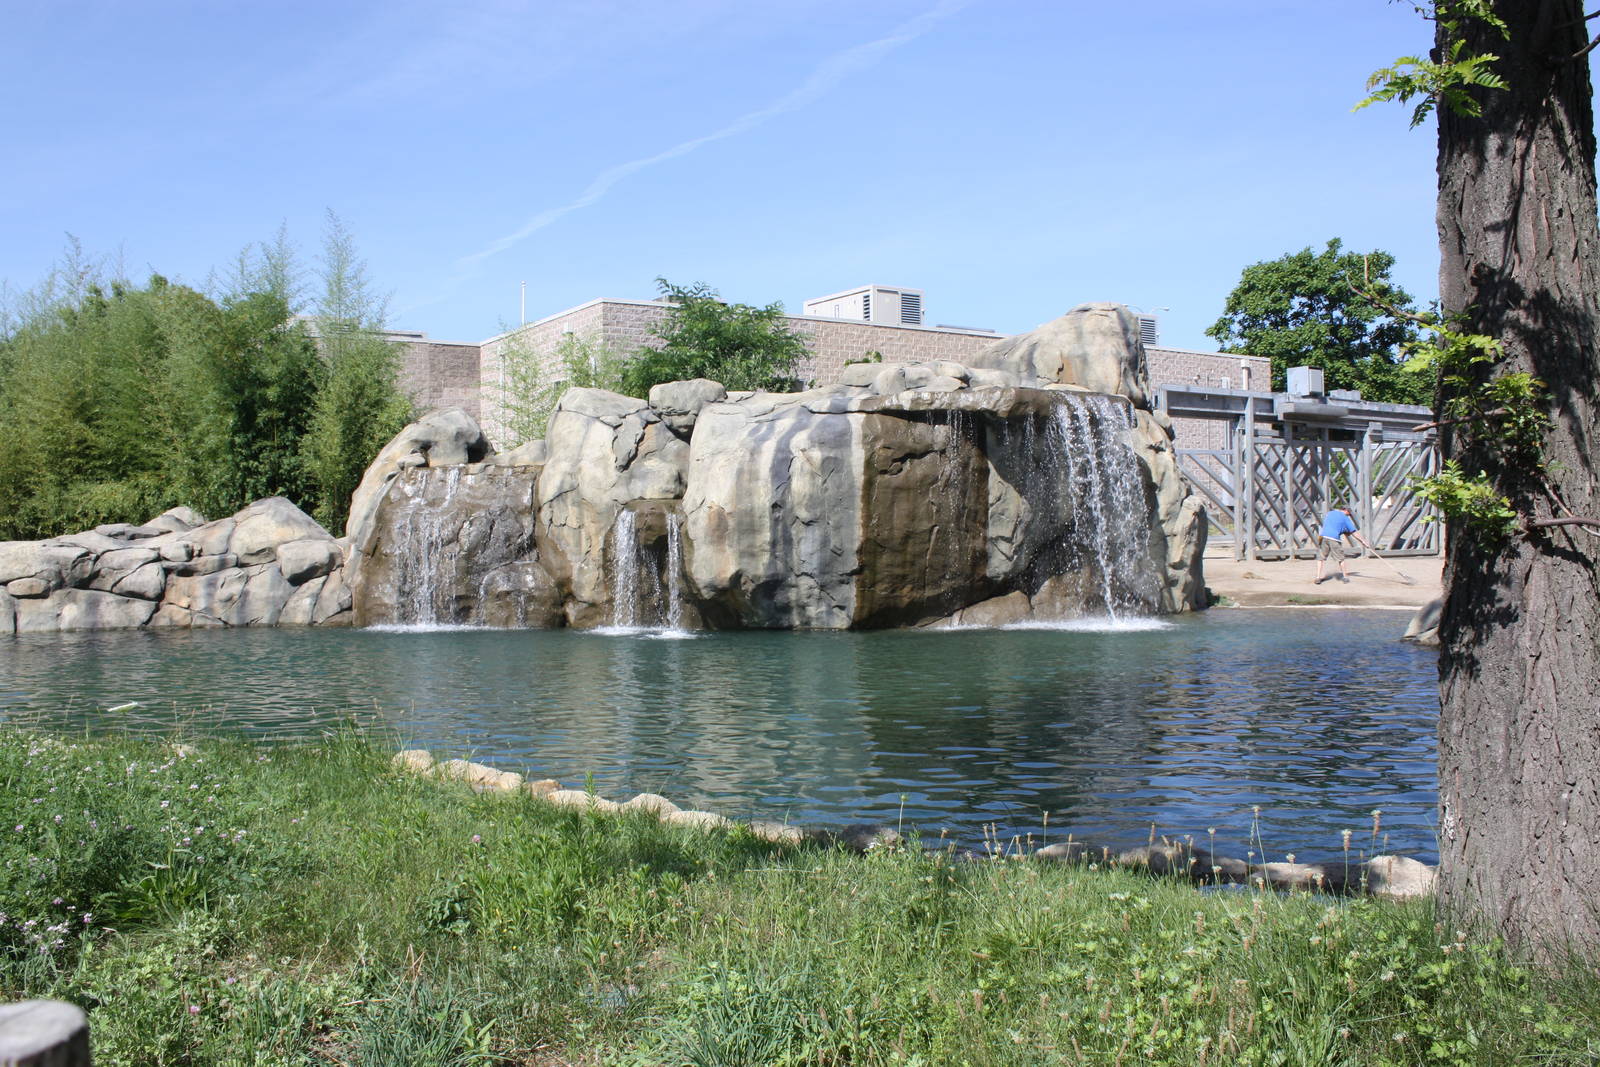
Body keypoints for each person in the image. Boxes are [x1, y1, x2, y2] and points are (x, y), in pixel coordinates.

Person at [1313, 505, 1373, 584]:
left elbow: (1333, 525)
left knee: (1321, 558)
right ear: (1346, 511)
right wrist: (1363, 541)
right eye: (1348, 514)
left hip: (1323, 536)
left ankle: (1318, 577)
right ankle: (1345, 577)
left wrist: (1342, 530)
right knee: (1341, 558)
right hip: (1334, 538)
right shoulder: (1345, 518)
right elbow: (1353, 532)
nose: (1348, 515)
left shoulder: (1330, 513)